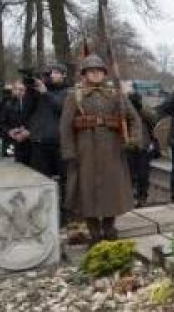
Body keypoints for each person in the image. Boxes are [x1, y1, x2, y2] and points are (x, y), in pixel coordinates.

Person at [60, 54, 142, 245]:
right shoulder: (75, 95)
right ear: (85, 74)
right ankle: (93, 230)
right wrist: (69, 151)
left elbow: (134, 119)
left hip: (111, 150)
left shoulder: (115, 94)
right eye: (91, 71)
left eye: (99, 71)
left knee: (111, 190)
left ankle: (109, 226)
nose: (95, 74)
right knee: (85, 191)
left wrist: (133, 139)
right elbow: (65, 126)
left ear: (104, 73)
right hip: (85, 150)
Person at [26, 64, 69, 179]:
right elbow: (27, 109)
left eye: (55, 72)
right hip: (39, 142)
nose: (52, 75)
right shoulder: (40, 91)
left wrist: (45, 93)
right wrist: (30, 90)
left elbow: (61, 107)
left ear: (64, 75)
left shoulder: (69, 91)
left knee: (64, 179)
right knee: (41, 179)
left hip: (59, 144)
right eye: (50, 73)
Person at [127, 91, 158, 208]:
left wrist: (140, 109)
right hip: (129, 146)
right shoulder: (125, 112)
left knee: (143, 174)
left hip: (144, 146)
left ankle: (142, 196)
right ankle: (131, 196)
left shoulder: (144, 111)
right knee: (130, 174)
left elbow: (154, 119)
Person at [0, 81, 32, 165]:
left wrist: (28, 131)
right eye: (16, 89)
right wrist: (10, 131)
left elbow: (36, 121)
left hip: (29, 142)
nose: (19, 92)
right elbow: (2, 122)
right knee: (12, 167)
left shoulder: (31, 104)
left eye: (22, 90)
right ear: (13, 91)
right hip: (11, 142)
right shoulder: (7, 104)